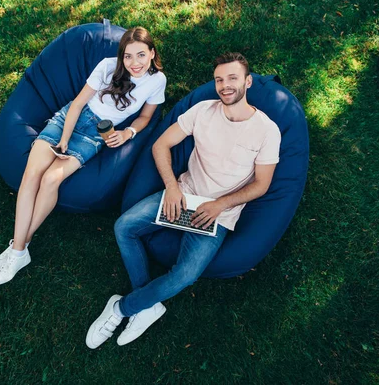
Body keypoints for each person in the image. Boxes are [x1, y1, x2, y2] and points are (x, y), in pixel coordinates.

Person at [86, 52, 281, 348]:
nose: (225, 86)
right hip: (183, 195)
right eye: (219, 79)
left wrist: (220, 205)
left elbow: (262, 184)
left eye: (232, 78)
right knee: (123, 227)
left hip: (217, 213)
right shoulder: (203, 110)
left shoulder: (267, 130)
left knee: (185, 275)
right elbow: (161, 144)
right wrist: (172, 188)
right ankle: (147, 304)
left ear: (248, 81)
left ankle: (121, 308)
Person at [0, 27, 167, 285]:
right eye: (128, 57)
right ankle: (19, 249)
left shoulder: (157, 81)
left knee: (52, 179)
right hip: (69, 119)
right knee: (32, 173)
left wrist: (128, 133)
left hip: (96, 134)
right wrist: (62, 140)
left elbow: (145, 118)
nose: (134, 63)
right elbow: (76, 104)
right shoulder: (108, 66)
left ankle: (19, 247)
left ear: (152, 53)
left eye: (141, 55)